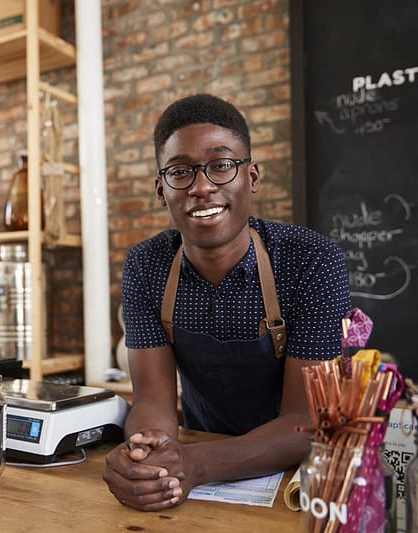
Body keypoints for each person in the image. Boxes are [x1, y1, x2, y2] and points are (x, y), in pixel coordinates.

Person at [103, 94, 351, 511]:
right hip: (198, 474)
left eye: (221, 165)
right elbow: (153, 400)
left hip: (297, 480)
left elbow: (306, 422)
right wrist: (148, 453)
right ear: (161, 190)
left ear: (251, 176)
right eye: (180, 172)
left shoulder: (312, 261)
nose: (202, 187)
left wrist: (194, 464)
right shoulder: (146, 265)